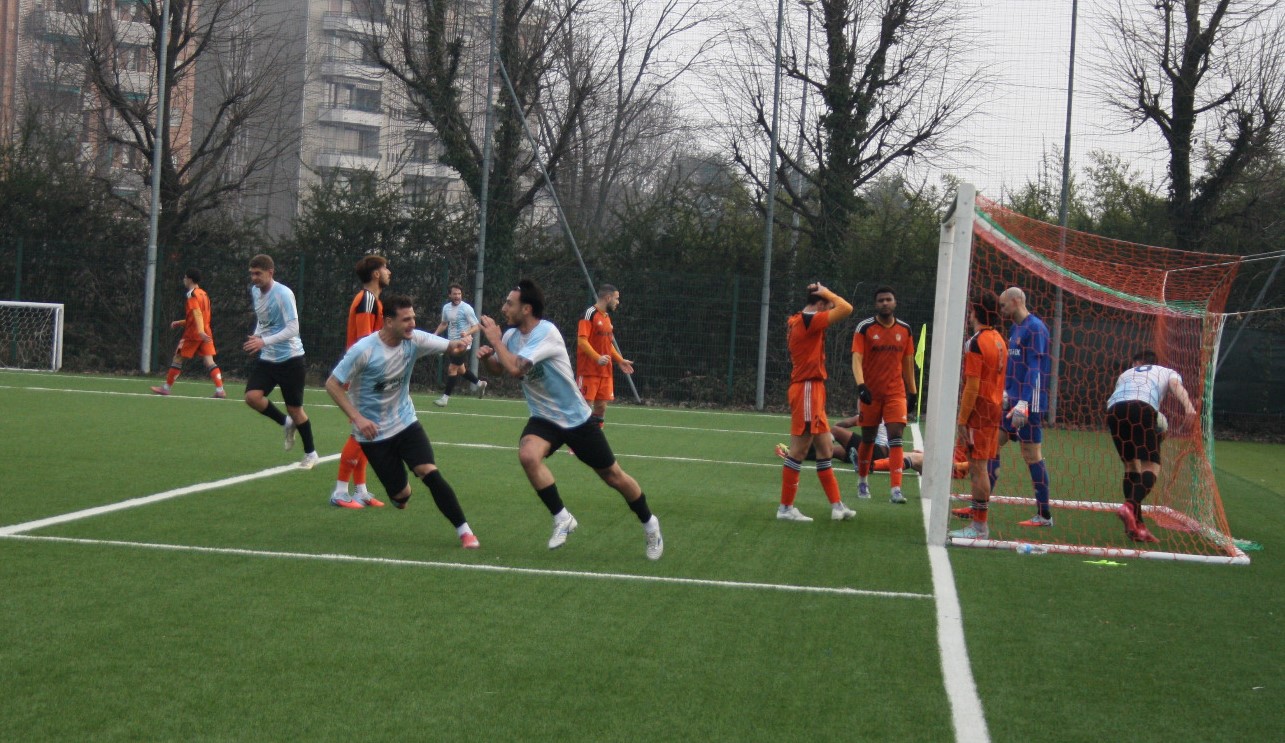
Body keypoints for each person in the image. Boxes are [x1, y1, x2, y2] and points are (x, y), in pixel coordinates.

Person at [476, 279, 663, 560]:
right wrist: (487, 359)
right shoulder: (511, 336)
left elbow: (516, 369)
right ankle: (562, 517)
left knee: (613, 476)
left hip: (576, 420)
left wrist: (493, 341)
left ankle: (650, 523)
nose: (504, 308)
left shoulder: (546, 332)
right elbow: (500, 369)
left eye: (509, 304)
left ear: (527, 309)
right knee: (528, 455)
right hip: (544, 418)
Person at [325, 294, 480, 548]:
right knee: (401, 496)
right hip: (374, 434)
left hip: (406, 423)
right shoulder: (364, 350)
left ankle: (465, 531)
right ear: (388, 322)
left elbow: (450, 347)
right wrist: (358, 418)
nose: (412, 324)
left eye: (413, 318)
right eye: (406, 319)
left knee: (429, 472)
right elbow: (332, 384)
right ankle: (400, 493)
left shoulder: (414, 339)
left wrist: (460, 346)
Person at [777, 282, 856, 522]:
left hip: (813, 389)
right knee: (799, 450)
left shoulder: (800, 319)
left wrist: (823, 294)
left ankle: (837, 506)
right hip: (807, 389)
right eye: (827, 306)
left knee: (825, 450)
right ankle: (785, 508)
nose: (829, 311)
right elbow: (846, 308)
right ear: (820, 304)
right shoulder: (809, 320)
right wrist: (828, 293)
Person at [1105, 349, 1197, 543]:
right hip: (1142, 407)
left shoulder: (1125, 374)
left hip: (1114, 411)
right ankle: (1129, 506)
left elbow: (1119, 397)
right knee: (1151, 466)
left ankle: (1137, 527)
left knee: (1131, 466)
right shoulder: (1167, 371)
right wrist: (1189, 408)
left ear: (1138, 363)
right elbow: (1175, 385)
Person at [242, 254, 319, 469]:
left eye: (258, 274)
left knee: (295, 409)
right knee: (252, 397)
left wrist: (263, 341)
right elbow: (263, 319)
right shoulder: (255, 291)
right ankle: (286, 423)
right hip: (268, 358)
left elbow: (293, 328)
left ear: (270, 272)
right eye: (251, 274)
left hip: (291, 359)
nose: (254, 278)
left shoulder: (284, 294)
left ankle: (311, 453)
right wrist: (257, 336)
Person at [330, 255, 391, 509]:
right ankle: (340, 491)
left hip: (366, 373)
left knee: (370, 431)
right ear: (376, 274)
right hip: (363, 374)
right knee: (361, 430)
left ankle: (360, 491)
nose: (389, 272)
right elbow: (365, 341)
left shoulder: (374, 300)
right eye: (385, 268)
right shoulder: (367, 299)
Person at [949, 292, 1008, 540]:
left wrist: (962, 419)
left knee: (978, 468)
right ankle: (979, 523)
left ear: (974, 312)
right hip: (994, 408)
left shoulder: (976, 342)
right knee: (980, 466)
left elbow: (972, 386)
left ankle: (980, 526)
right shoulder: (999, 340)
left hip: (980, 411)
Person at [850, 286, 918, 504]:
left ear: (895, 302)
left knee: (895, 436)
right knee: (868, 438)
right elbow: (857, 358)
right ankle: (862, 480)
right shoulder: (865, 327)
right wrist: (861, 385)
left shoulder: (905, 329)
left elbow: (908, 362)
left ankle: (896, 489)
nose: (885, 303)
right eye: (881, 300)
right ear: (875, 304)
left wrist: (913, 391)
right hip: (871, 393)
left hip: (895, 393)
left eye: (888, 299)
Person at [994, 287, 1054, 527]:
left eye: (1003, 305)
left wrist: (1024, 403)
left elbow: (1034, 368)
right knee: (991, 445)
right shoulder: (1014, 329)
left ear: (1016, 301)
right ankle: (980, 505)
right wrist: (1006, 391)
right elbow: (1013, 366)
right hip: (1013, 399)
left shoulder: (1036, 328)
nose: (1001, 310)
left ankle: (1044, 515)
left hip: (1029, 403)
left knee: (1032, 456)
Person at [150, 269, 226, 398]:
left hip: (194, 333)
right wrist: (180, 322)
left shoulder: (192, 294)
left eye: (185, 278)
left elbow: (197, 313)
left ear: (190, 279)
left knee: (178, 358)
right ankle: (220, 390)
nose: (184, 280)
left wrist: (199, 331)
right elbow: (200, 316)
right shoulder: (204, 294)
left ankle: (166, 388)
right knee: (209, 360)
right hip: (206, 332)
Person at [576, 284, 635, 424]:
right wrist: (597, 358)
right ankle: (577, 438)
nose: (618, 302)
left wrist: (620, 360)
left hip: (605, 372)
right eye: (616, 298)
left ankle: (596, 437)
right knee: (584, 408)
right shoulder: (589, 314)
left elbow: (608, 344)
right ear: (608, 298)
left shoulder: (607, 317)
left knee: (601, 408)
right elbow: (582, 341)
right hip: (589, 371)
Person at [433, 283, 485, 406]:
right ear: (450, 295)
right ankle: (480, 384)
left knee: (452, 369)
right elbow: (444, 324)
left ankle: (445, 399)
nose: (457, 296)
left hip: (463, 344)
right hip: (452, 343)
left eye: (459, 294)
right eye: (455, 294)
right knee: (461, 369)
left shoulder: (466, 308)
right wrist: (434, 334)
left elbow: (476, 326)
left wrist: (466, 333)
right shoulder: (446, 308)